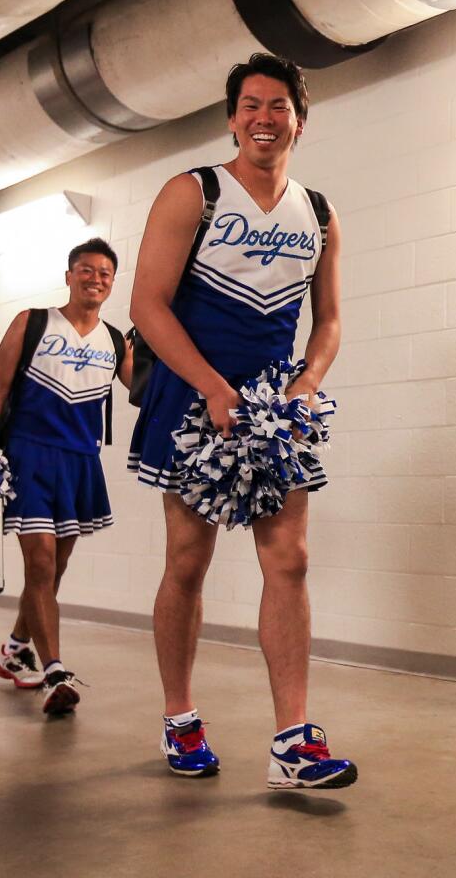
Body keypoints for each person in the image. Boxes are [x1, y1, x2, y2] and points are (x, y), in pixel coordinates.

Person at [128, 53, 355, 789]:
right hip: (195, 399)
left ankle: (292, 741)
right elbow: (147, 308)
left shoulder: (317, 213)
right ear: (232, 118)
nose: (265, 117)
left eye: (279, 106)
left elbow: (328, 323)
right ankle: (179, 716)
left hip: (270, 408)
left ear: (299, 120)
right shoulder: (192, 192)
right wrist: (210, 388)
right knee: (188, 563)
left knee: (288, 559)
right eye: (251, 105)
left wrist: (306, 383)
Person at [0, 237, 131, 716]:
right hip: (29, 455)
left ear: (112, 283)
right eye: (85, 269)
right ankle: (55, 670)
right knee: (39, 565)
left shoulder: (116, 341)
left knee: (53, 570)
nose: (95, 278)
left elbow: (145, 390)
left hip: (81, 461)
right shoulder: (34, 321)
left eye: (104, 272)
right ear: (68, 276)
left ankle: (15, 648)